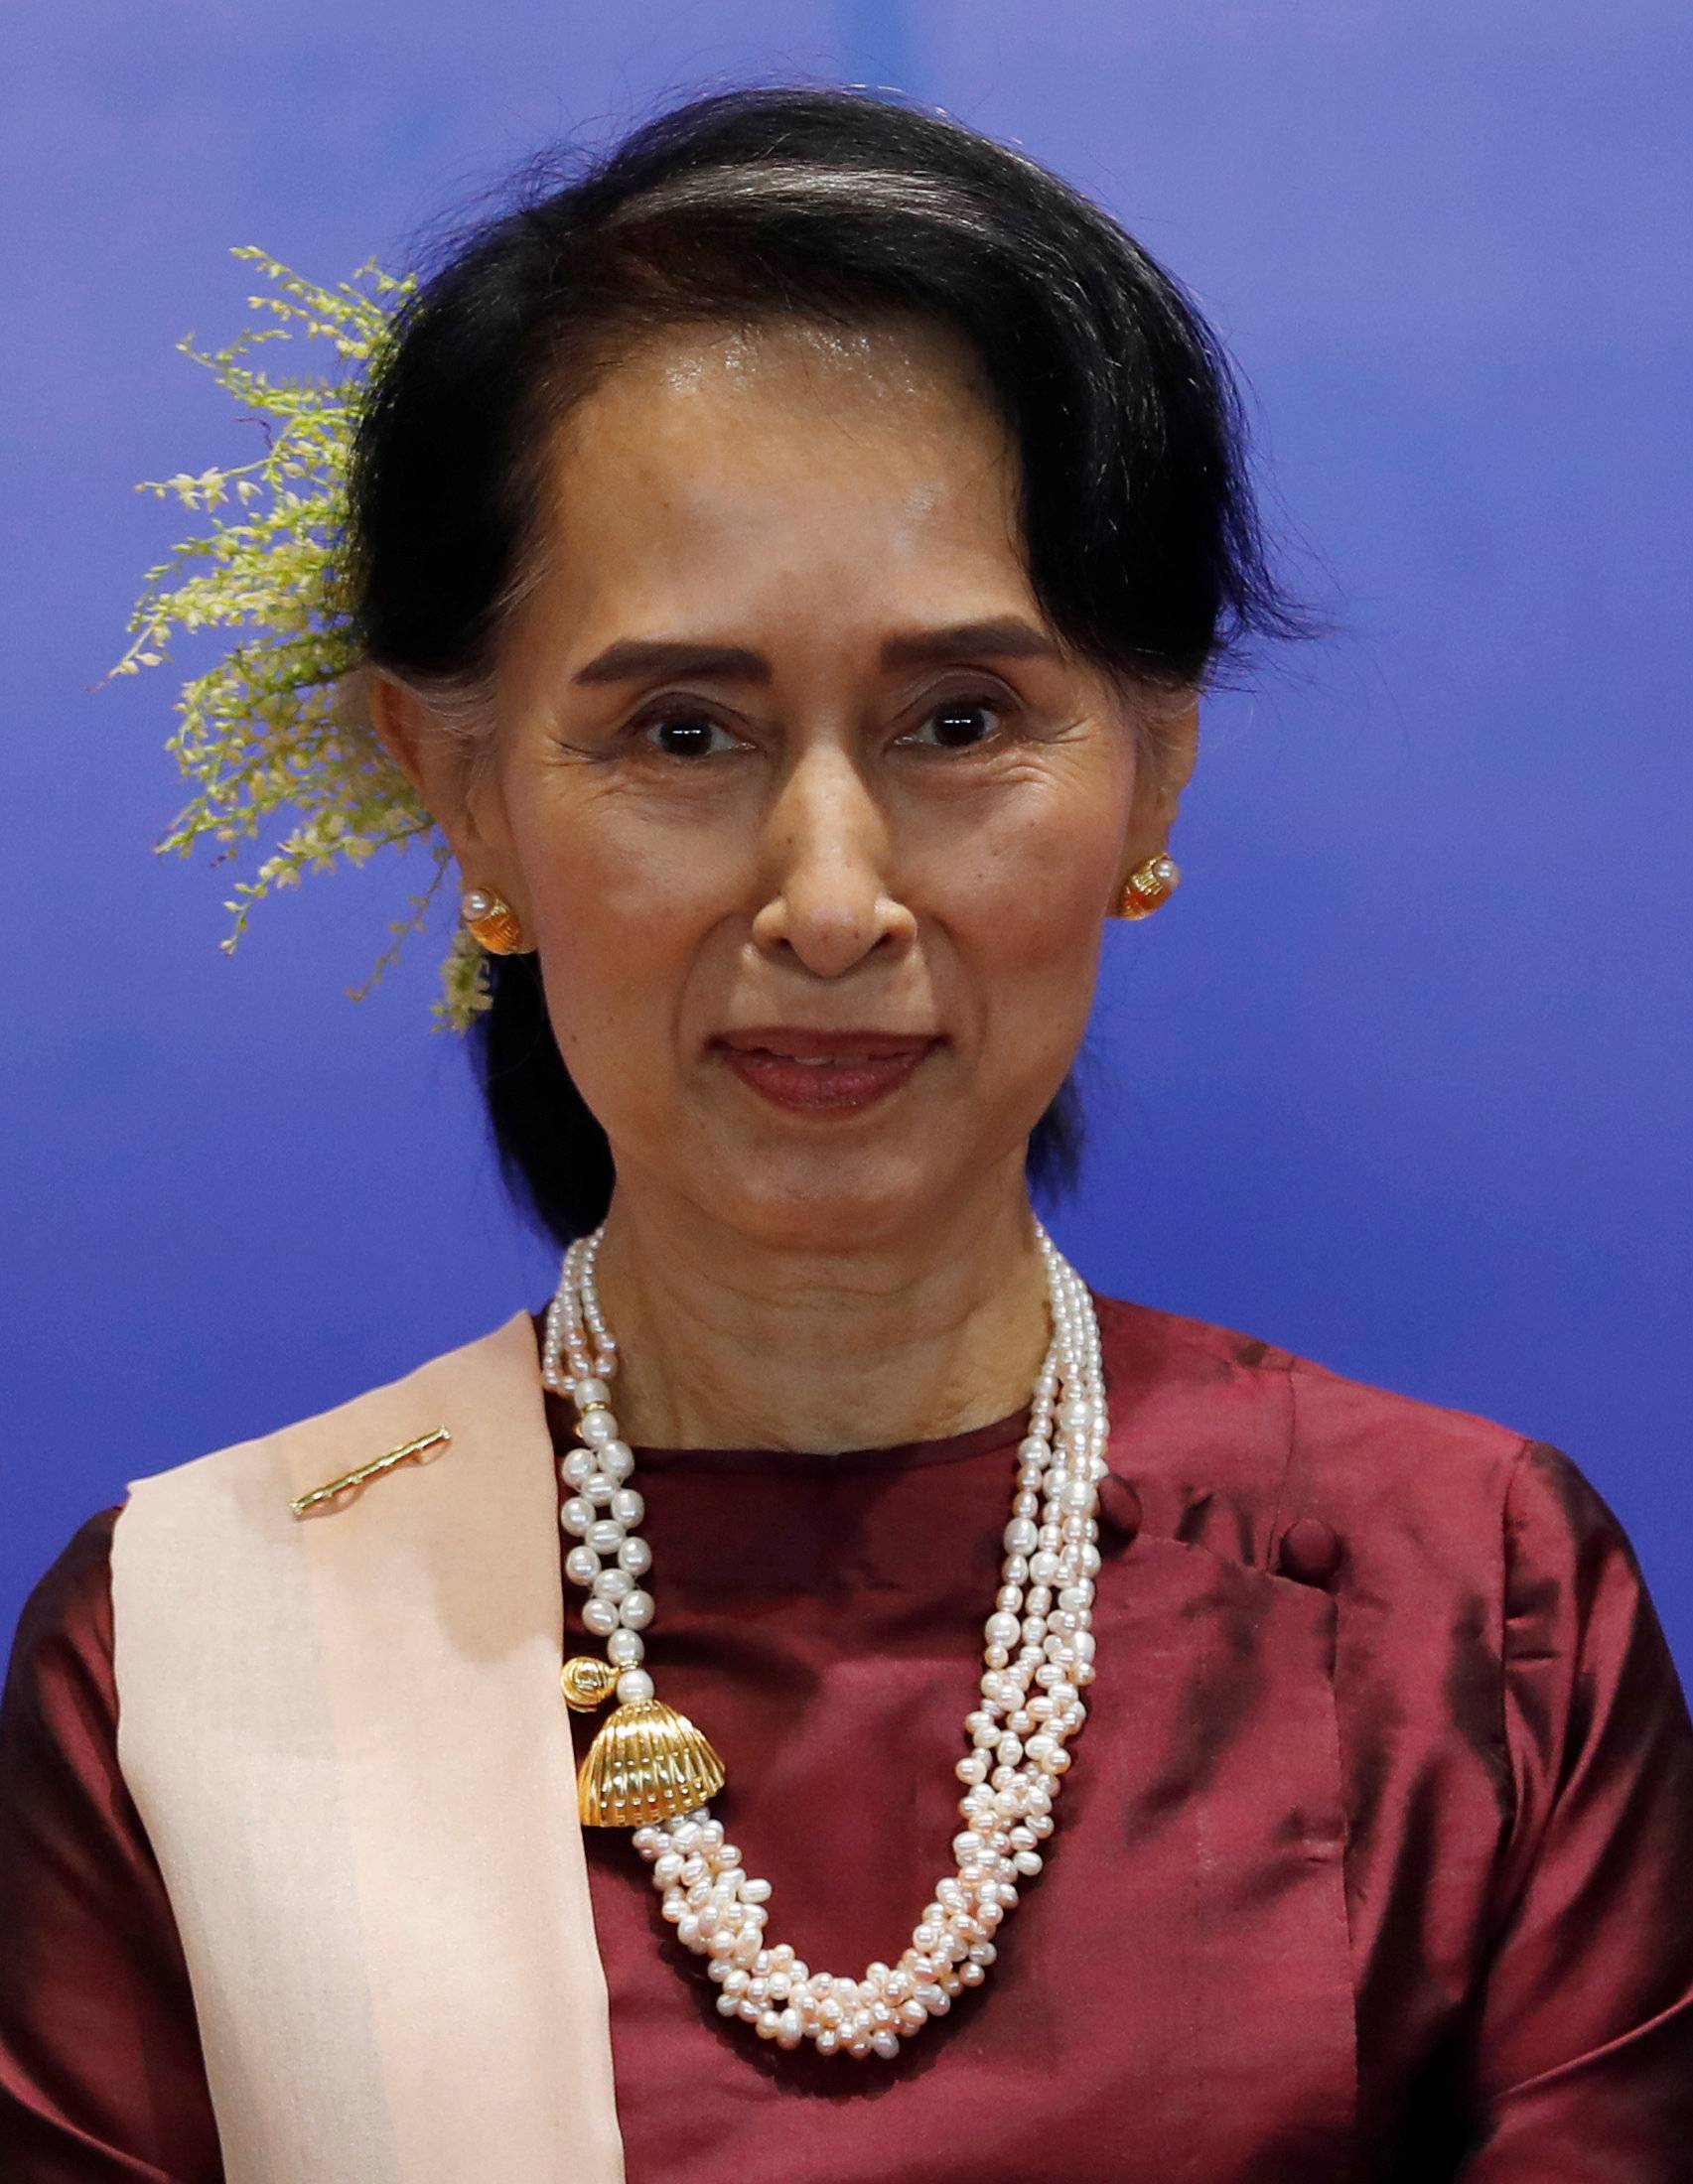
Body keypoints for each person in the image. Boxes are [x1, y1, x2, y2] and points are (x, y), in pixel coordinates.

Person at [2, 83, 1690, 2184]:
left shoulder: (1468, 1614)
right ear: (461, 784)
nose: (827, 895)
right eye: (681, 732)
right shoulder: (193, 1660)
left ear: (1150, 775)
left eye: (959, 722)